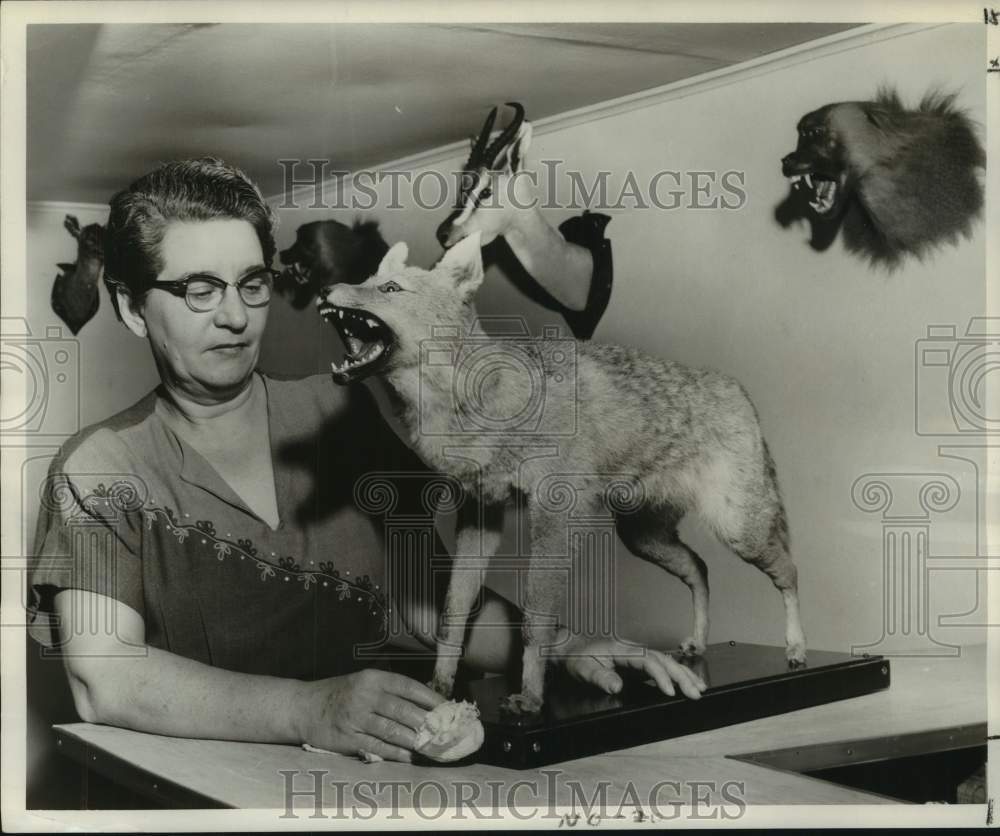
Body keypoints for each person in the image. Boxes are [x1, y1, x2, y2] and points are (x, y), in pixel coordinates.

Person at [28, 158, 704, 764]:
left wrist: (565, 647)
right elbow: (102, 677)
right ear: (131, 307)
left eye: (253, 283)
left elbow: (427, 603)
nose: (235, 316)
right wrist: (310, 709)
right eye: (199, 290)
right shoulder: (97, 470)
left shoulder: (338, 412)